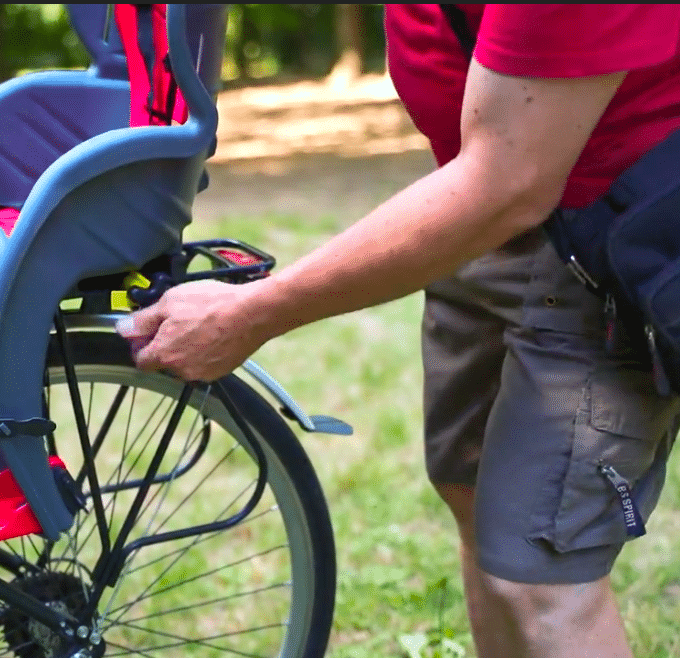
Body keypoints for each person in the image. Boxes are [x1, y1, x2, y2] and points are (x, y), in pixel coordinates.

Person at [116, 5, 680, 657]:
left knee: (541, 581)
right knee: (469, 490)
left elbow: (509, 183)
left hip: (601, 239)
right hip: (485, 215)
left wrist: (255, 310)